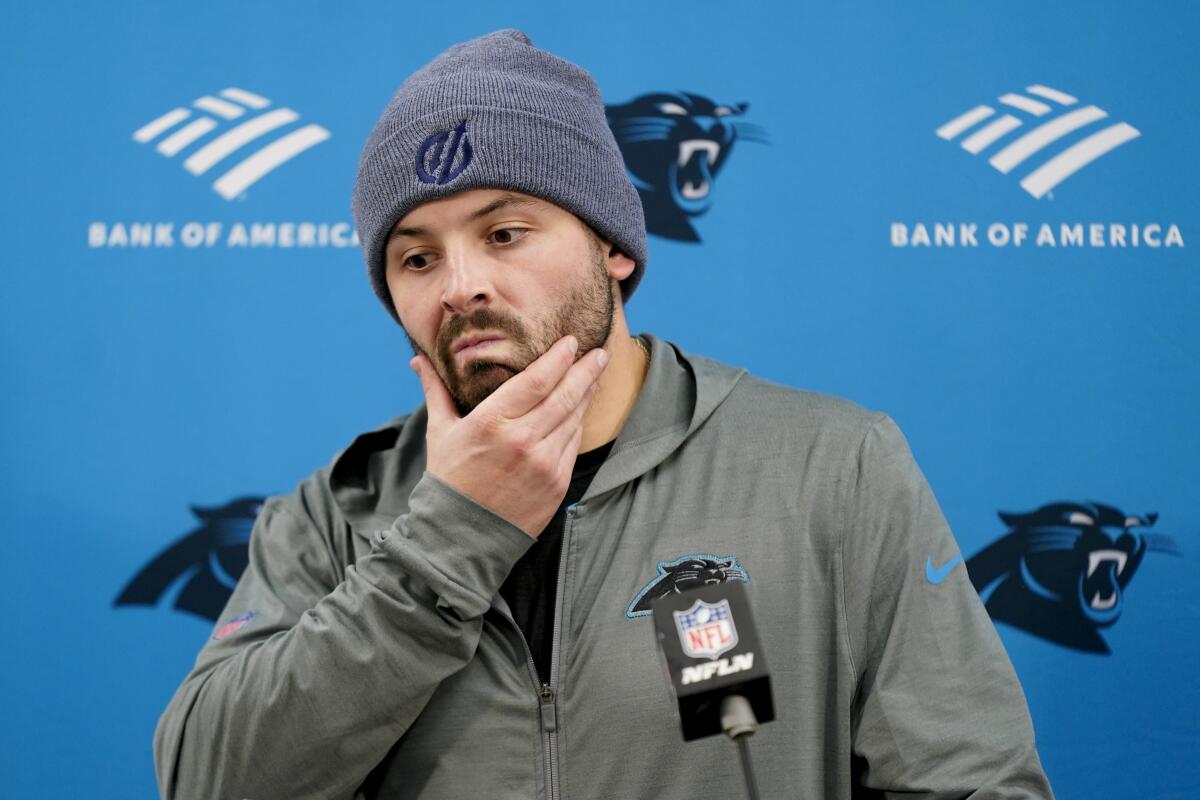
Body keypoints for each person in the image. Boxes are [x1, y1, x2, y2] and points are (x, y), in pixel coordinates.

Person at [154, 29, 1053, 800]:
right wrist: (447, 539)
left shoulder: (829, 466)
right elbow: (206, 778)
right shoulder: (332, 515)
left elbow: (971, 780)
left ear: (613, 247)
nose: (461, 284)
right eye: (416, 258)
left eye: (504, 234)